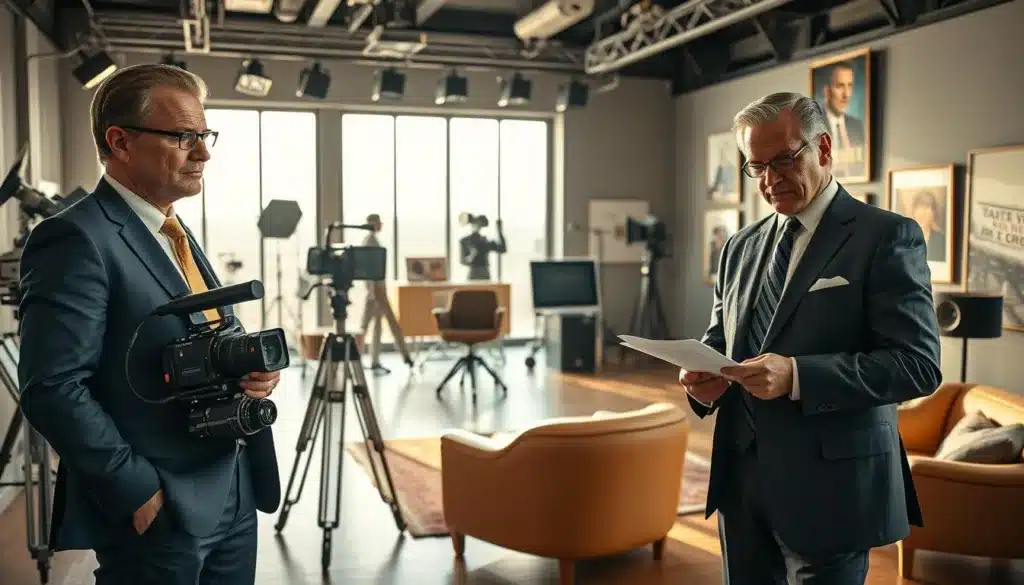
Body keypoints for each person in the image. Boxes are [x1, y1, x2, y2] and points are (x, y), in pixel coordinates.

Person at [17, 64, 281, 585]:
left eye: (204, 136)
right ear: (120, 141)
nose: (202, 152)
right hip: (161, 502)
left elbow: (200, 335)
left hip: (233, 481)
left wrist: (249, 372)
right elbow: (52, 387)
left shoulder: (171, 227)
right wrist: (136, 489)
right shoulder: (74, 238)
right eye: (184, 137)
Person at [679, 92, 941, 585]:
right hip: (741, 482)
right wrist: (702, 380)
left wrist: (798, 376)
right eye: (756, 167)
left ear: (823, 148)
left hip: (832, 487)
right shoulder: (739, 246)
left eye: (783, 160)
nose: (769, 179)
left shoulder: (886, 236)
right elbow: (721, 340)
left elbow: (918, 364)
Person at [358, 213, 413, 372]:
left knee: (377, 326)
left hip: (378, 289)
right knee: (369, 326)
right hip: (376, 290)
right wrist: (372, 292)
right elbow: (369, 270)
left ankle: (379, 359)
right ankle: (404, 356)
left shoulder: (372, 241)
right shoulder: (370, 242)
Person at [458, 213, 506, 280]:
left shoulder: (485, 241)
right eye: (476, 223)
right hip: (474, 272)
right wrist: (471, 256)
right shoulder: (466, 241)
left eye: (479, 224)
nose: (477, 226)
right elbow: (463, 261)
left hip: (483, 272)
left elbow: (502, 249)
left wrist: (500, 232)